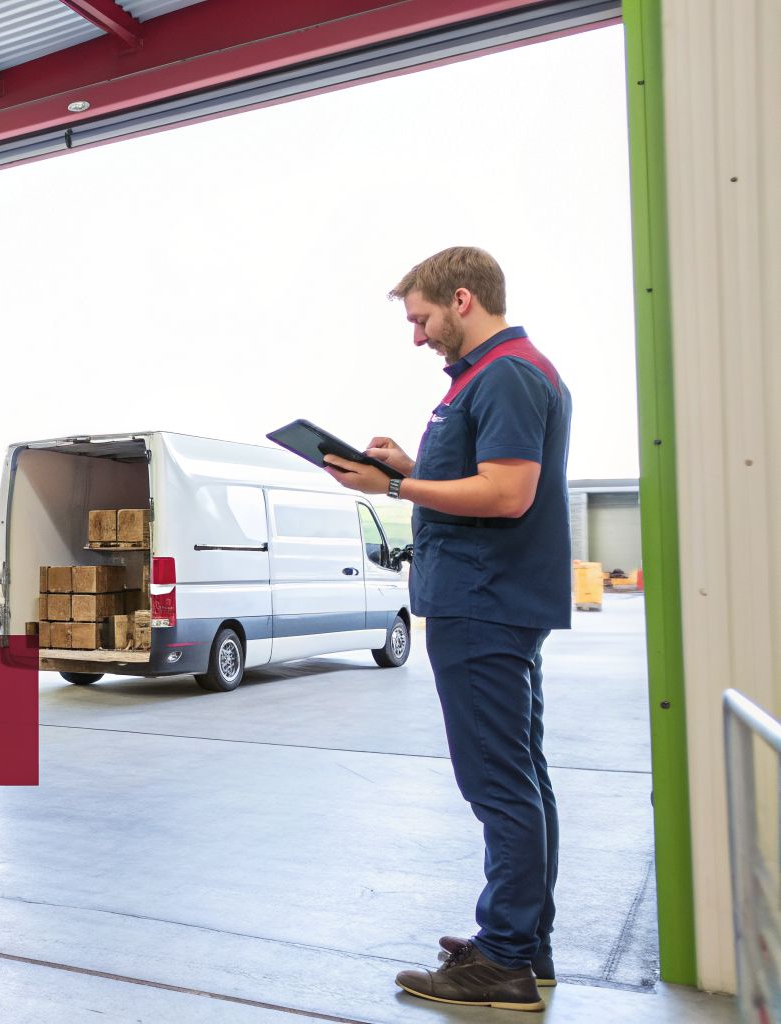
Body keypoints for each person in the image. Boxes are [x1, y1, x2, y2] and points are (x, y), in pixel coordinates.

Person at [322, 246, 571, 1013]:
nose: (418, 335)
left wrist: (392, 483)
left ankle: (504, 962)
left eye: (422, 318)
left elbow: (505, 493)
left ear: (462, 300)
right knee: (520, 777)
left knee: (498, 783)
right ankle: (523, 943)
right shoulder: (493, 377)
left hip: (483, 602)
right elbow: (475, 477)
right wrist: (410, 460)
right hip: (491, 599)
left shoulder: (507, 375)